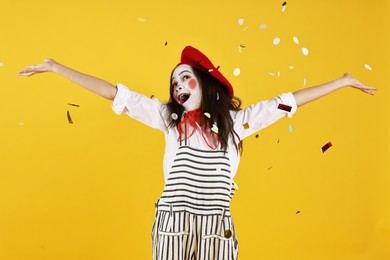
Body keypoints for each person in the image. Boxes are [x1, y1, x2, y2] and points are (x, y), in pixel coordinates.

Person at [18, 46, 376, 260]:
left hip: (216, 227)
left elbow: (288, 102)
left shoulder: (239, 123)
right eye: (174, 83)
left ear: (204, 83)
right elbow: (115, 94)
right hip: (172, 223)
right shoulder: (167, 119)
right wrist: (56, 67)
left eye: (185, 78)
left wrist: (342, 81)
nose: (177, 87)